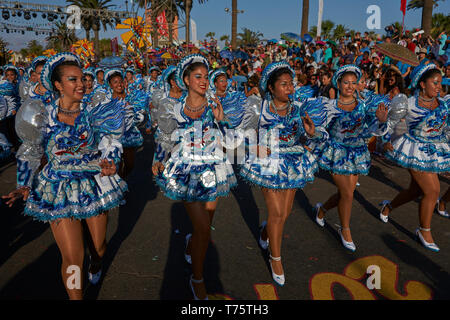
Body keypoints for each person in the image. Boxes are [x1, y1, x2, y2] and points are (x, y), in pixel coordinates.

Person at [2, 53, 127, 299]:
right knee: (73, 256)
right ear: (58, 85)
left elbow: (110, 142)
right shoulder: (41, 114)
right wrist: (24, 185)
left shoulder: (94, 112)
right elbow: (30, 152)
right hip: (57, 186)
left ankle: (97, 263)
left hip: (93, 183)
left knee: (99, 248)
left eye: (82, 79)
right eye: (73, 80)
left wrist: (111, 161)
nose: (81, 84)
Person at [233, 61, 327, 286]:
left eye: (291, 84)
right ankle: (276, 258)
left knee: (284, 214)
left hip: (293, 162)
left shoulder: (298, 108)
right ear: (271, 88)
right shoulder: (259, 107)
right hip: (268, 161)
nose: (290, 89)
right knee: (276, 213)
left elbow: (313, 136)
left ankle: (266, 232)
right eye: (284, 85)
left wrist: (311, 134)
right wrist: (252, 147)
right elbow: (239, 135)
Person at [152, 54, 235, 300]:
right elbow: (164, 138)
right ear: (186, 80)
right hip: (186, 170)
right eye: (198, 77)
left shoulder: (213, 105)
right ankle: (197, 278)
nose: (204, 81)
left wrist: (221, 119)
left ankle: (192, 245)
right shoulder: (173, 109)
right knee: (202, 227)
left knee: (204, 229)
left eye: (206, 77)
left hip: (212, 168)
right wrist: (157, 158)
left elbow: (230, 140)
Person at [314, 65, 389, 252]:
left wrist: (381, 120)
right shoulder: (328, 106)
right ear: (338, 83)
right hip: (336, 153)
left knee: (344, 194)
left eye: (353, 82)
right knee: (347, 193)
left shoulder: (364, 106)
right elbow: (319, 130)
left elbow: (373, 130)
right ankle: (345, 229)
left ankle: (322, 210)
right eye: (346, 82)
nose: (349, 86)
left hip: (356, 153)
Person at [379, 63, 449, 252]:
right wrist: (386, 138)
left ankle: (388, 207)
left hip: (433, 149)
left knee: (415, 191)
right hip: (413, 149)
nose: (438, 87)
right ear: (422, 84)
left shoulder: (442, 104)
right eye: (434, 83)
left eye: (440, 84)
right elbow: (393, 124)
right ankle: (424, 231)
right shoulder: (408, 104)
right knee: (432, 190)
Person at [104, 68, 148, 179]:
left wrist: (131, 110)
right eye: (115, 82)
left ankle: (123, 179)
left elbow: (140, 115)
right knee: (116, 166)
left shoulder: (131, 99)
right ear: (110, 85)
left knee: (130, 164)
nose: (119, 84)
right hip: (113, 138)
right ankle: (120, 184)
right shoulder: (106, 102)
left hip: (128, 136)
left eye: (120, 81)